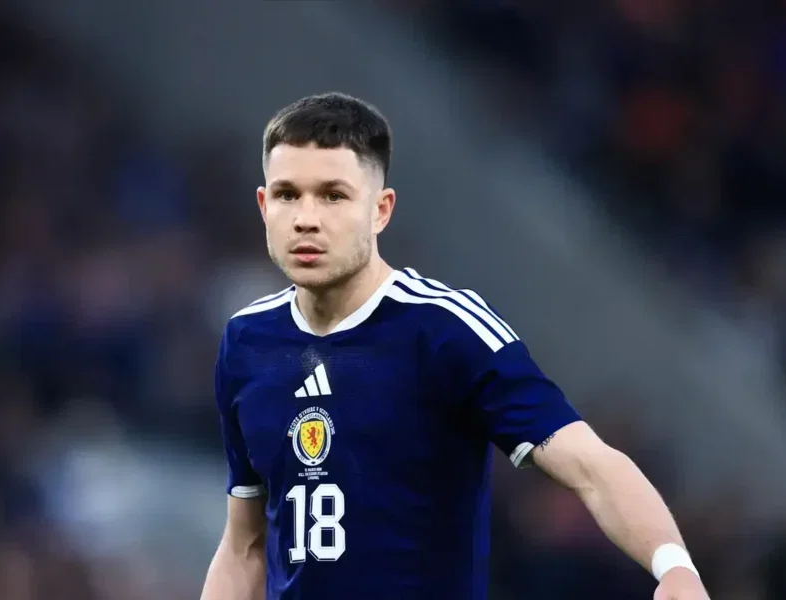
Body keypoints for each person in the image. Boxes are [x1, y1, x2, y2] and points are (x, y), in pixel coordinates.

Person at [200, 92, 710, 600]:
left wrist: (673, 566)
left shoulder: (445, 328)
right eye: (288, 194)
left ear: (380, 211)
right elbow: (245, 545)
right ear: (264, 206)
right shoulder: (247, 342)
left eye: (333, 195)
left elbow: (589, 465)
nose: (306, 218)